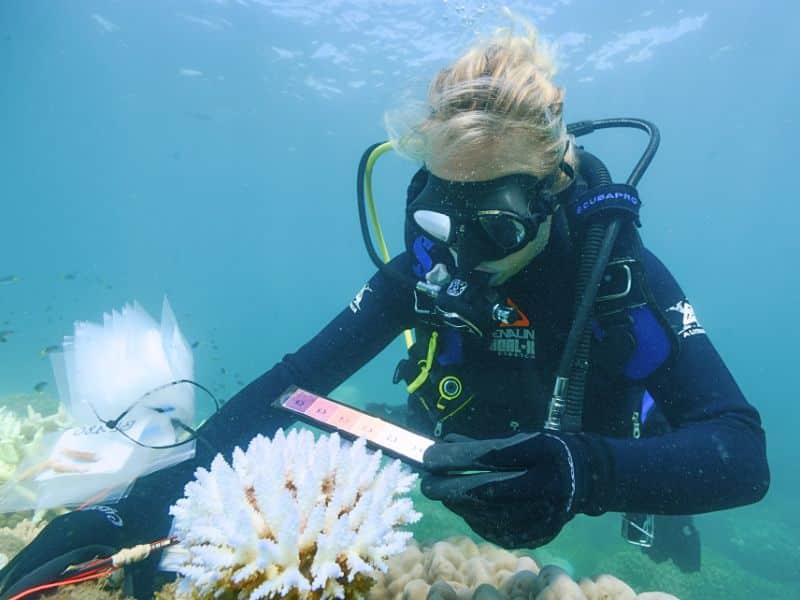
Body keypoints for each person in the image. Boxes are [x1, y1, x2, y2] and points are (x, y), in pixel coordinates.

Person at [0, 19, 769, 599]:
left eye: (494, 227)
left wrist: (586, 473)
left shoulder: (616, 272)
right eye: (444, 220)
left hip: (599, 444)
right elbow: (294, 382)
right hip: (460, 428)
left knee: (669, 487)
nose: (465, 253)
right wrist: (135, 506)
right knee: (338, 423)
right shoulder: (425, 267)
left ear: (551, 193)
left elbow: (741, 452)